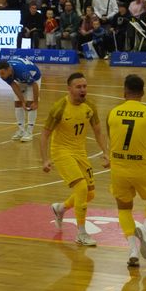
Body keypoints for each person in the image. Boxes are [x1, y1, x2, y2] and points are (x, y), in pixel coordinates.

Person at [42, 73, 110, 246]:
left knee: (90, 193)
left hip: (80, 152)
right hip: (61, 151)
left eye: (84, 86)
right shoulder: (59, 107)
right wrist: (45, 159)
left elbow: (98, 131)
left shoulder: (90, 107)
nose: (83, 90)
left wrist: (105, 152)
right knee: (81, 188)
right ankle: (81, 233)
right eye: (78, 87)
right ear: (69, 89)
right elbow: (44, 135)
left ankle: (60, 208)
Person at [106, 75, 146, 267]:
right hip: (141, 166)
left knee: (124, 208)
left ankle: (132, 251)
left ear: (124, 91)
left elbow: (112, 141)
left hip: (118, 168)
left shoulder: (112, 113)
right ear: (143, 92)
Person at [0, 58, 41, 142]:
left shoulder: (22, 71)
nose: (1, 76)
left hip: (34, 78)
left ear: (9, 69)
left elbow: (34, 85)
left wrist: (35, 102)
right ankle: (21, 130)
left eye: (2, 73)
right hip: (20, 79)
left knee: (31, 104)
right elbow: (14, 85)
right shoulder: (4, 74)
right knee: (18, 103)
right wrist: (22, 101)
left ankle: (29, 132)